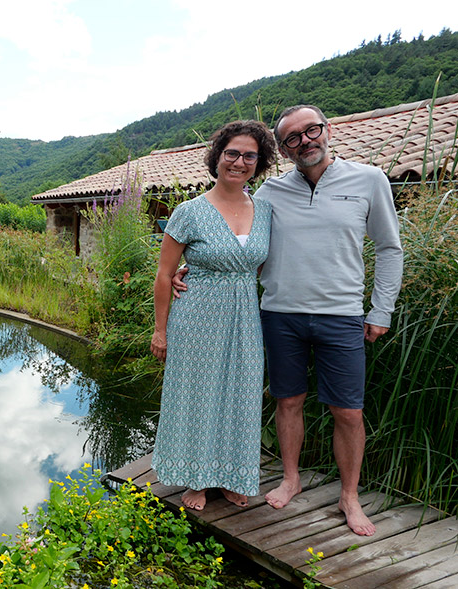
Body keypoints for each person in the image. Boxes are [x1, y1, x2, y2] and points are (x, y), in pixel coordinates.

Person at [174, 105, 404, 536]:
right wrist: (193, 269)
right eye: (292, 138)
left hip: (342, 315)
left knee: (349, 412)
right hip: (280, 314)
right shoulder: (270, 194)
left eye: (311, 130)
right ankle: (291, 479)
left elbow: (390, 249)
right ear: (282, 149)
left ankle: (349, 497)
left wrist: (381, 310)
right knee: (288, 402)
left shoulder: (369, 180)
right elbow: (236, 236)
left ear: (326, 130)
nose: (305, 141)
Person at [150, 120, 277, 511]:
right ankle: (196, 480)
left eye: (249, 156)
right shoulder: (190, 212)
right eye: (232, 153)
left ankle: (231, 476)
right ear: (218, 157)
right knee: (196, 395)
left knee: (241, 393)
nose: (239, 162)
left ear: (259, 162)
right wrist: (160, 331)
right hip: (197, 317)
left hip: (244, 319)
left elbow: (254, 266)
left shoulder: (267, 210)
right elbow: (164, 274)